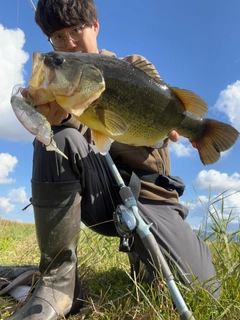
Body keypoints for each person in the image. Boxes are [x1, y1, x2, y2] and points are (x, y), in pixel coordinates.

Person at [7, 0, 220, 319]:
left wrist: (165, 131)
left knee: (204, 290)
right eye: (58, 38)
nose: (69, 43)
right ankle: (58, 283)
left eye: (76, 30)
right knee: (60, 139)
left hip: (152, 198)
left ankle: (144, 255)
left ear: (95, 26)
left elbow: (154, 126)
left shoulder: (133, 65)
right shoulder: (66, 94)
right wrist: (55, 121)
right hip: (103, 198)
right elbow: (77, 145)